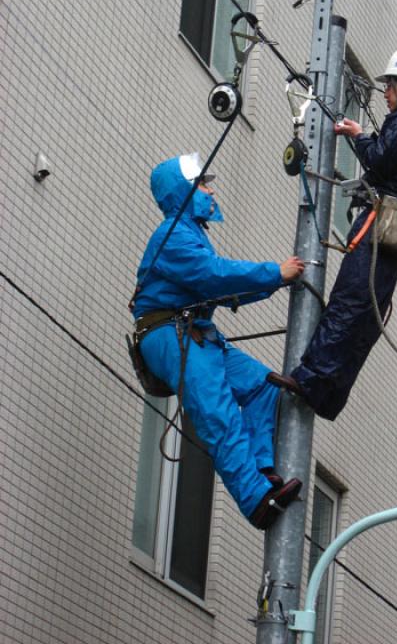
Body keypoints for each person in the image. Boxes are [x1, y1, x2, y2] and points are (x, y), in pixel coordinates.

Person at [131, 152, 305, 530]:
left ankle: (262, 471)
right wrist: (275, 273)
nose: (211, 191)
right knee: (217, 412)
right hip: (170, 334)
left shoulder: (189, 234)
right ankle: (255, 498)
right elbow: (214, 276)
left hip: (193, 333)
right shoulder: (172, 235)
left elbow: (219, 285)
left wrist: (274, 279)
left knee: (263, 386)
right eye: (204, 184)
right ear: (185, 191)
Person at [285, 48, 397, 421]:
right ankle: (329, 397)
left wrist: (359, 136)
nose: (385, 93)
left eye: (391, 86)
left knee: (349, 302)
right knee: (365, 316)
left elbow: (377, 160)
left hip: (383, 223)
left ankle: (311, 379)